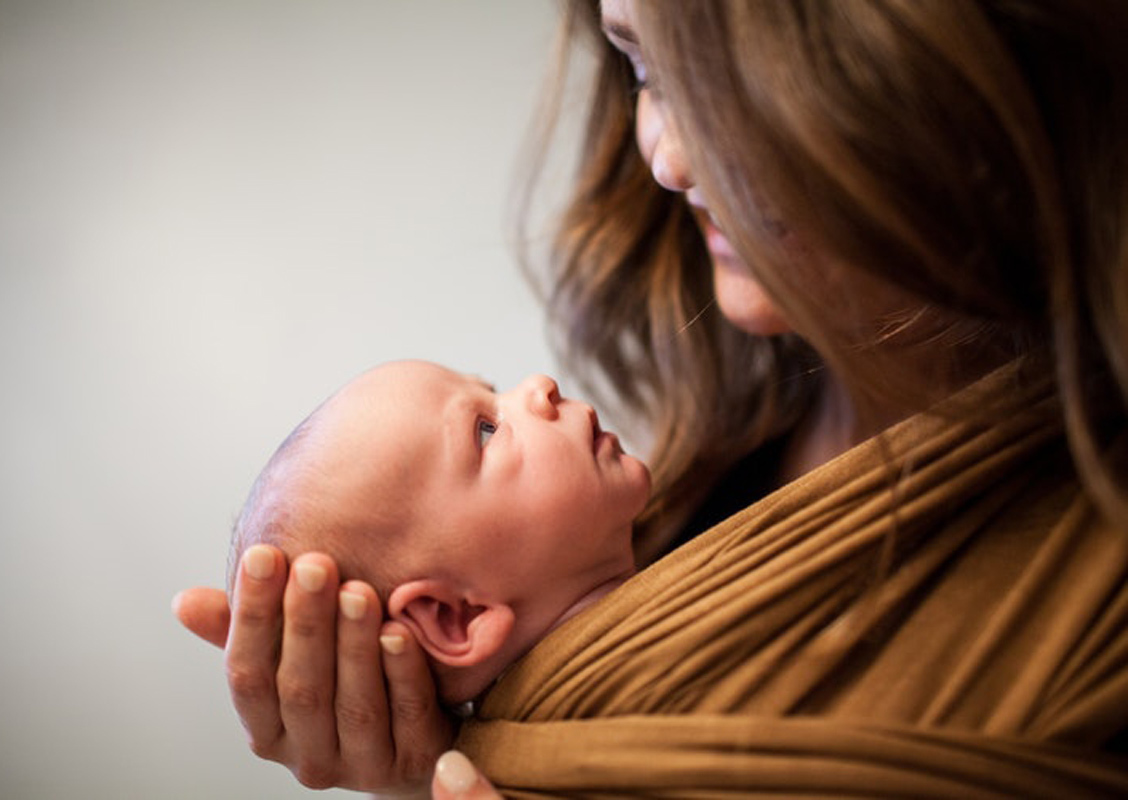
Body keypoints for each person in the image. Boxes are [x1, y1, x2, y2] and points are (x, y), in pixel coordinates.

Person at [173, 0, 1128, 795]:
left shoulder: (1087, 587)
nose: (665, 158)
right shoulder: (689, 462)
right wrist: (427, 762)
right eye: (639, 66)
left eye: (715, 84)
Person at [226, 359, 649, 708]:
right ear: (455, 615)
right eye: (488, 430)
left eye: (494, 390)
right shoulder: (619, 707)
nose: (541, 385)